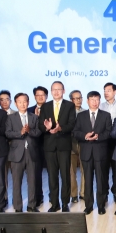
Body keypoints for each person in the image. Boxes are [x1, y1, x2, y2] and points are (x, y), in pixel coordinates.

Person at [38, 81, 76, 212]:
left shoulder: (70, 106)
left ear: (64, 91)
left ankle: (65, 203)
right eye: (54, 89)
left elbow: (72, 124)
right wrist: (47, 127)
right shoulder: (45, 106)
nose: (56, 92)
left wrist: (60, 128)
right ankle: (55, 204)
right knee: (52, 176)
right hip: (49, 146)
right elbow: (40, 126)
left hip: (64, 145)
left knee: (65, 176)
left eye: (59, 89)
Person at [73, 91, 112, 215]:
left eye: (97, 100)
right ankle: (88, 205)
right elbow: (75, 132)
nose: (95, 102)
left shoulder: (106, 115)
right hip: (86, 152)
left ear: (100, 101)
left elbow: (109, 132)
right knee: (87, 180)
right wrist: (85, 136)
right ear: (87, 101)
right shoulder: (81, 116)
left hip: (100, 152)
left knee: (101, 180)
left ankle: (101, 205)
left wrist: (98, 136)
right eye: (92, 100)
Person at [5, 92, 42, 212]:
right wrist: (20, 133)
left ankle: (32, 205)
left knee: (32, 181)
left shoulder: (34, 117)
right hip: (16, 154)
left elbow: (38, 133)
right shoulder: (10, 118)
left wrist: (29, 130)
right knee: (17, 182)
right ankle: (17, 207)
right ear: (15, 104)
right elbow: (8, 133)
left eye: (25, 101)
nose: (22, 104)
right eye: (19, 102)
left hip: (32, 153)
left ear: (28, 102)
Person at [100, 82, 116, 203]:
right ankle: (104, 194)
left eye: (108, 90)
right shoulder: (100, 106)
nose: (106, 93)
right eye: (104, 90)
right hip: (103, 142)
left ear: (115, 91)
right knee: (103, 170)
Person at [29, 85, 48, 207]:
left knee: (52, 173)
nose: (40, 97)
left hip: (48, 144)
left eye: (43, 95)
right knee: (35, 173)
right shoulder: (29, 110)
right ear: (34, 96)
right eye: (38, 95)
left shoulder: (51, 108)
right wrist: (36, 118)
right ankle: (38, 197)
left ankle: (54, 198)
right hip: (34, 145)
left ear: (46, 96)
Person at [0, 90, 16, 206]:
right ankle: (4, 198)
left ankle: (16, 199)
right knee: (2, 176)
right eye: (2, 99)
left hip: (15, 148)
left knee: (16, 175)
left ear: (11, 100)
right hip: (1, 149)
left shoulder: (16, 113)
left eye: (7, 99)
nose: (4, 102)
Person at [69, 90, 86, 203]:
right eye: (76, 98)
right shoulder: (67, 112)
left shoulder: (86, 112)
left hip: (84, 144)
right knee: (71, 171)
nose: (78, 100)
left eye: (80, 98)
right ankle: (73, 194)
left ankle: (83, 193)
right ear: (71, 100)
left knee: (85, 170)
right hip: (70, 144)